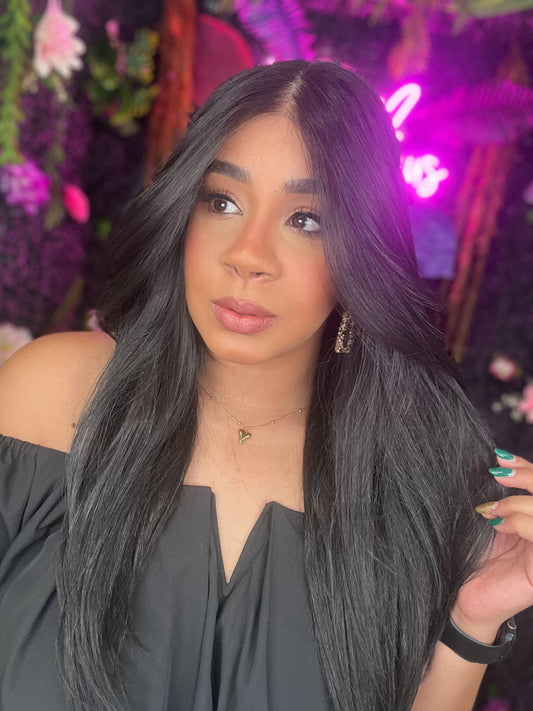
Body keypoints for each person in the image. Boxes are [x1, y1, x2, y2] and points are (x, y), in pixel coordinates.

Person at [0, 59, 531, 711]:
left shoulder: (408, 485)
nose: (248, 255)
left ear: (361, 252)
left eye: (306, 220)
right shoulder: (47, 399)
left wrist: (471, 621)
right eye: (222, 201)